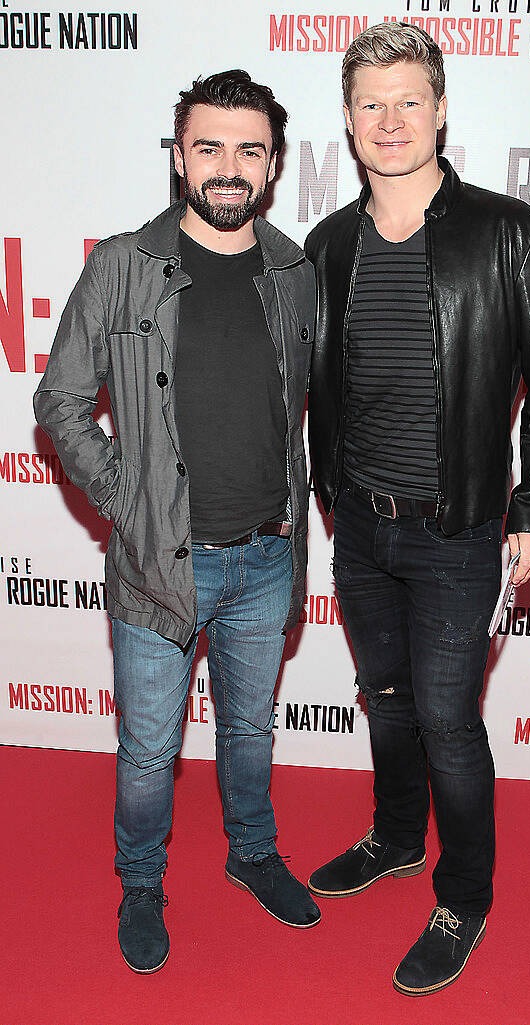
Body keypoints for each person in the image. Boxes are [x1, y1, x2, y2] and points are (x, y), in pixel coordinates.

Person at [305, 23, 530, 996]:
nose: (389, 121)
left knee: (446, 719)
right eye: (369, 103)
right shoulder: (326, 244)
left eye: (407, 99)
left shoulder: (508, 234)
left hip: (459, 528)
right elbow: (319, 390)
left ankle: (463, 892)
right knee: (382, 700)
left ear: (441, 107)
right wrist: (328, 501)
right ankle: (392, 835)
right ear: (346, 120)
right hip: (360, 528)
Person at [34, 69, 319, 974]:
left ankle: (251, 851)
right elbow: (62, 400)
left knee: (249, 729)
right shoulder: (123, 264)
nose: (228, 168)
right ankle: (142, 883)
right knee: (150, 751)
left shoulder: (294, 269)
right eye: (210, 147)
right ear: (178, 157)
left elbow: (303, 411)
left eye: (249, 150)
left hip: (268, 555)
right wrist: (128, 498)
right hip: (162, 564)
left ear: (272, 164)